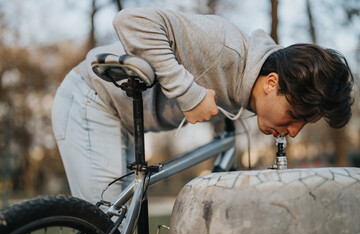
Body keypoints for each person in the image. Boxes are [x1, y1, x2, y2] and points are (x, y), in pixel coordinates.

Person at [51, 8, 354, 204]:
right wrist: (188, 92)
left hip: (123, 120)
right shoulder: (222, 45)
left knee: (120, 222)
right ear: (271, 83)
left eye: (304, 124)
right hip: (90, 99)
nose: (294, 132)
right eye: (294, 117)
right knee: (106, 223)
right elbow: (130, 21)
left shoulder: (249, 87)